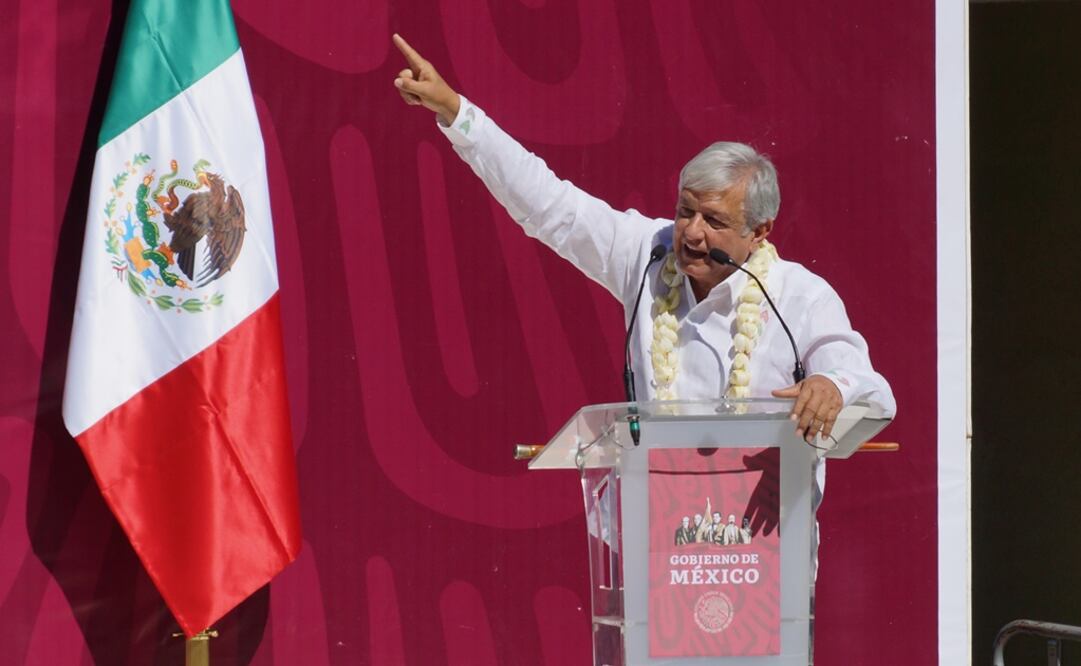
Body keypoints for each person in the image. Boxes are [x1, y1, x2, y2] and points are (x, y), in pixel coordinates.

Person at [390, 34, 896, 444]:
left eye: (713, 221)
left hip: (762, 551)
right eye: (684, 212)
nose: (692, 233)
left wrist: (832, 385)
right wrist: (459, 115)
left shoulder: (799, 295)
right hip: (656, 538)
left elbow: (873, 389)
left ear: (759, 231)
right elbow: (548, 205)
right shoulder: (647, 252)